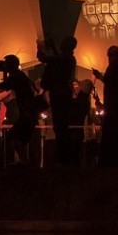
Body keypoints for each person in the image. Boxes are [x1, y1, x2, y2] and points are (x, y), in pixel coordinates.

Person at [39, 37, 79, 167]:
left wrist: (42, 47)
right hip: (63, 95)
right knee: (62, 127)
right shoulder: (70, 60)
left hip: (59, 95)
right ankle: (64, 158)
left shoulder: (65, 60)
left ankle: (63, 158)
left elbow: (45, 59)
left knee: (60, 127)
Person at [95, 46, 118, 167]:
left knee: (111, 133)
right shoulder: (117, 68)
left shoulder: (114, 67)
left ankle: (110, 160)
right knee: (115, 134)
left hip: (113, 107)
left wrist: (99, 76)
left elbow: (109, 82)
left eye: (110, 56)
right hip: (114, 106)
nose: (109, 58)